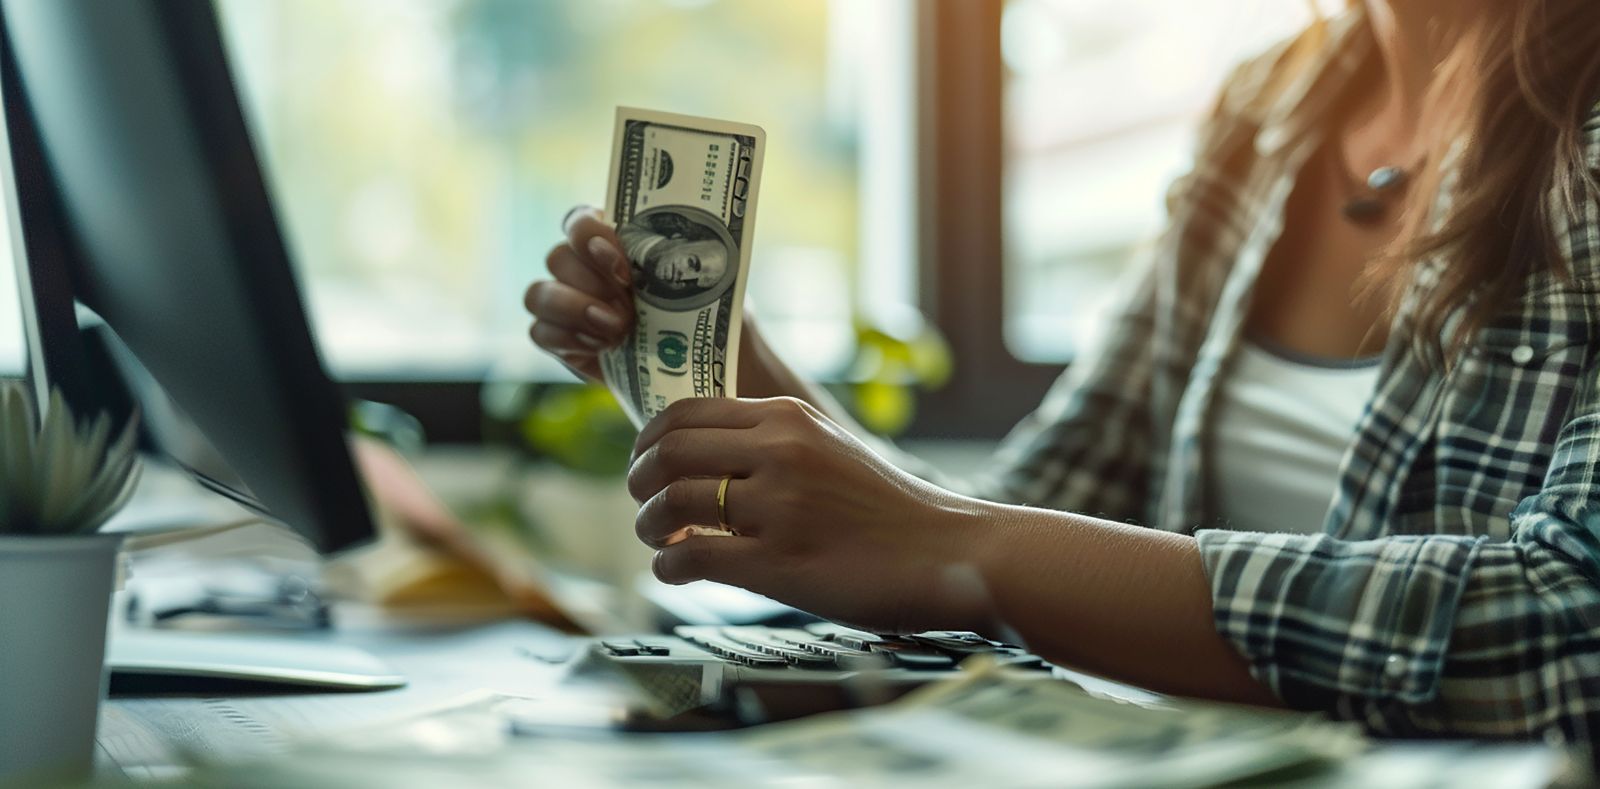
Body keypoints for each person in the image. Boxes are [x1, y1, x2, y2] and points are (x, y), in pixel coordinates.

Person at [524, 0, 1600, 748]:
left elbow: (1565, 623)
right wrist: (740, 374)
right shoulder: (1276, 105)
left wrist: (950, 543)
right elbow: (1036, 518)